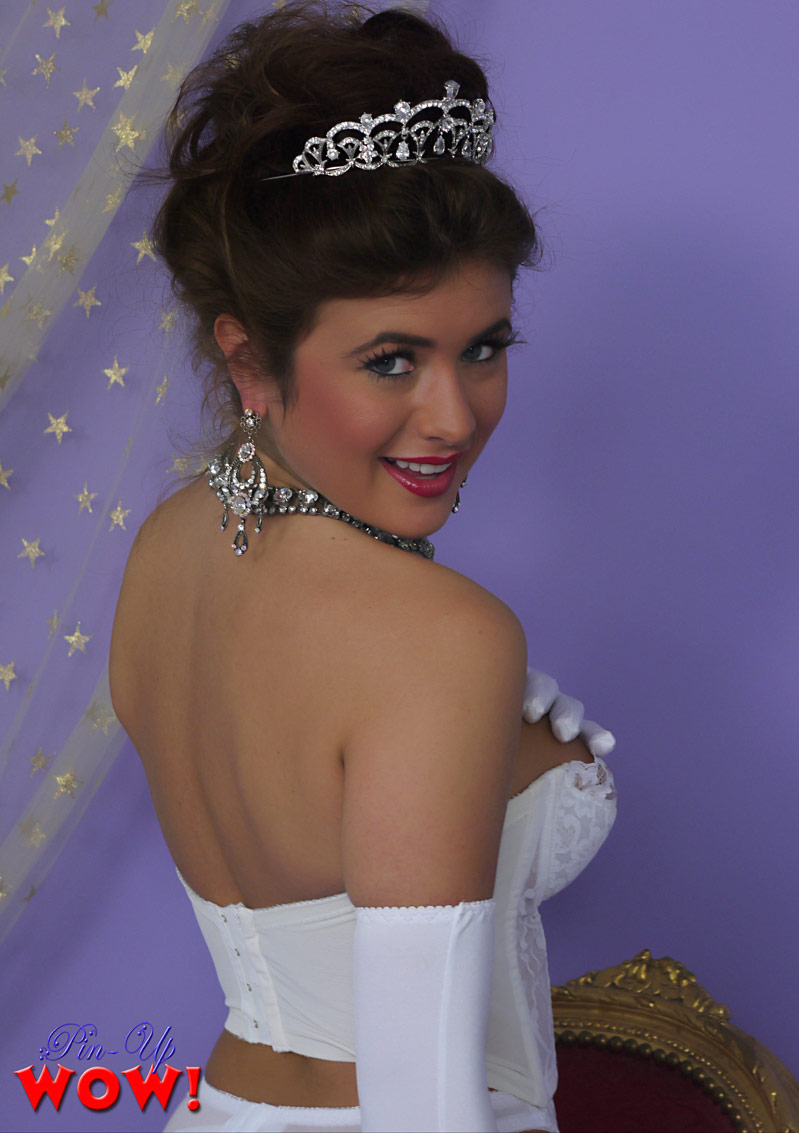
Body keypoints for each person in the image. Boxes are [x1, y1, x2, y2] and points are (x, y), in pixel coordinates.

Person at [108, 3, 617, 1130]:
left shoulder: (167, 547)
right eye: (392, 360)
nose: (455, 416)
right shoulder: (440, 635)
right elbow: (418, 1103)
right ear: (249, 359)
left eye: (484, 349)